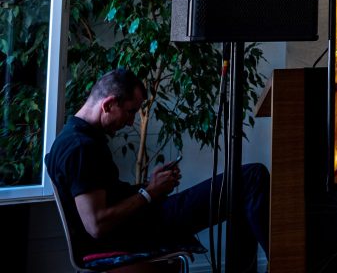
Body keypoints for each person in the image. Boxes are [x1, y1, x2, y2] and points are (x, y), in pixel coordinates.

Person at [45, 68, 269, 272]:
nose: (131, 122)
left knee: (240, 189)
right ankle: (283, 263)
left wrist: (151, 185)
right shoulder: (81, 148)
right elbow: (97, 225)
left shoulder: (74, 136)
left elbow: (108, 198)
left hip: (141, 222)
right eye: (130, 112)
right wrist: (149, 193)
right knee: (251, 178)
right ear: (108, 105)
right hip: (136, 232)